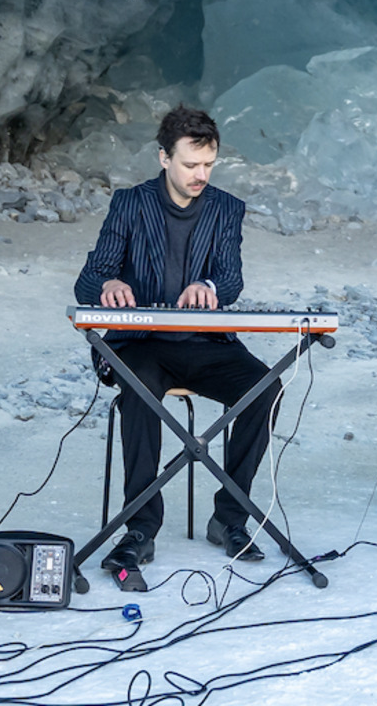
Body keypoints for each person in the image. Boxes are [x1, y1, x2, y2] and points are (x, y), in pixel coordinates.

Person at [75, 106, 278, 584]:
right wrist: (108, 285)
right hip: (140, 344)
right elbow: (88, 279)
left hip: (204, 344)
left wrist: (209, 286)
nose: (200, 175)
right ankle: (140, 529)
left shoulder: (226, 208)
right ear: (164, 158)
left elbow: (231, 279)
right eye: (190, 165)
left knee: (264, 388)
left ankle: (230, 517)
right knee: (140, 389)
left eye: (208, 165)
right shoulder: (130, 204)